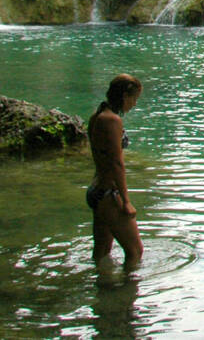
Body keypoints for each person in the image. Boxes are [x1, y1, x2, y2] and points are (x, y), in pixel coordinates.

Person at [88, 74, 144, 269]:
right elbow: (116, 163)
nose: (134, 104)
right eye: (134, 98)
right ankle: (125, 295)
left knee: (101, 252)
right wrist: (126, 201)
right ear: (124, 96)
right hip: (108, 194)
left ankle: (102, 292)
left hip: (96, 191)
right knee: (135, 251)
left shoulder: (97, 116)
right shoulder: (112, 121)